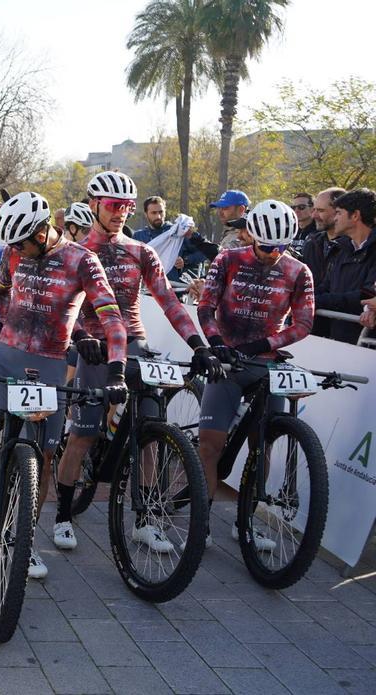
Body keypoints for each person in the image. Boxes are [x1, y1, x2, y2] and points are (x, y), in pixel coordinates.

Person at [0, 191, 127, 580]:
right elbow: (2, 291)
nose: (18, 252)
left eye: (23, 244)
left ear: (43, 233)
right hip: (7, 353)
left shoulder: (82, 260)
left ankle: (23, 539)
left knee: (42, 457)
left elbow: (111, 315)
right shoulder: (14, 251)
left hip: (49, 364)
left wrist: (116, 371)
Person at [55, 172, 222, 557]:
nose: (120, 213)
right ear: (94, 204)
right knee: (82, 435)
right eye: (114, 206)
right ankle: (63, 515)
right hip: (95, 347)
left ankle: (145, 520)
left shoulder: (140, 251)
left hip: (134, 341)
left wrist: (199, 344)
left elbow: (169, 302)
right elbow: (67, 307)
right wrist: (82, 338)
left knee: (152, 430)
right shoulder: (73, 252)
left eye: (127, 207)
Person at [197, 200, 314, 549]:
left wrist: (264, 343)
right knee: (209, 445)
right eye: (265, 247)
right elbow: (205, 306)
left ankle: (245, 522)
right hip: (228, 362)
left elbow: (304, 323)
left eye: (281, 248)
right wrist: (216, 343)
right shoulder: (229, 259)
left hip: (266, 363)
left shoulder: (298, 271)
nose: (272, 254)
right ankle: (201, 521)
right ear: (251, 237)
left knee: (262, 446)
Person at [318, 188, 376, 344]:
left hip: (366, 345)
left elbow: (366, 294)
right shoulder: (340, 249)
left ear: (355, 215)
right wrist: (305, 297)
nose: (335, 218)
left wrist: (319, 301)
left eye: (338, 213)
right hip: (338, 339)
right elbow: (327, 285)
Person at [304, 187, 349, 336]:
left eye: (321, 210)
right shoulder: (312, 242)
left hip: (342, 327)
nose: (314, 215)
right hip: (309, 325)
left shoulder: (353, 246)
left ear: (338, 211)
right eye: (314, 209)